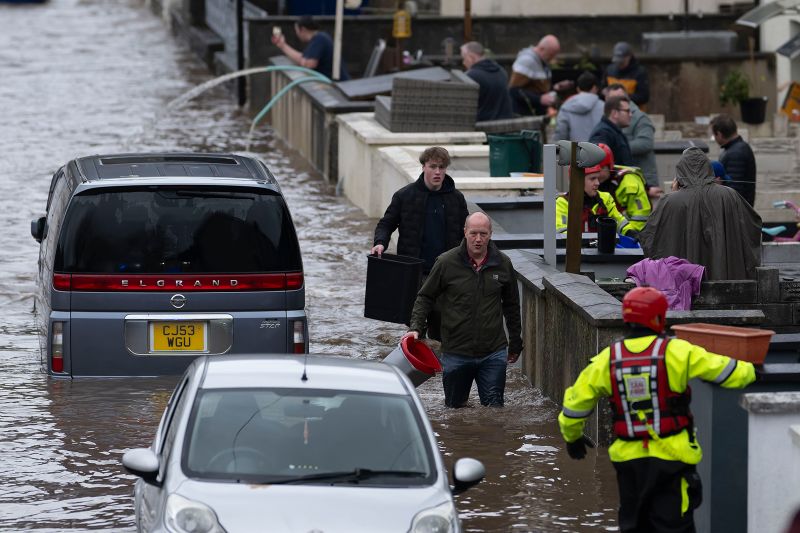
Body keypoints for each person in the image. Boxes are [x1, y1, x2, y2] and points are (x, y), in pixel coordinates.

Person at [558, 286, 756, 532]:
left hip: (629, 463)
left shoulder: (606, 359)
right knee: (674, 526)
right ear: (660, 317)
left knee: (634, 525)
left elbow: (575, 405)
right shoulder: (678, 351)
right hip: (673, 459)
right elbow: (731, 373)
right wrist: (753, 368)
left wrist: (573, 437)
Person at [403, 212, 523, 408]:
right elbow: (425, 297)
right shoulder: (446, 262)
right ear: (465, 232)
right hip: (455, 352)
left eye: (483, 234)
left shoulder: (502, 263)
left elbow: (511, 306)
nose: (478, 239)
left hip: (492, 352)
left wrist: (516, 344)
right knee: (455, 410)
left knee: (494, 410)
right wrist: (415, 328)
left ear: (490, 234)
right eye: (474, 233)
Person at [639, 147, 762, 280]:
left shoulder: (669, 201)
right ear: (708, 168)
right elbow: (753, 226)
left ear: (680, 171)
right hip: (727, 283)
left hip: (684, 287)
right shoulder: (729, 195)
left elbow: (650, 237)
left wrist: (674, 195)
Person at [371, 146, 469, 274]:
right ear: (423, 167)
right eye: (433, 167)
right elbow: (386, 224)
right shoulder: (404, 196)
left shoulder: (456, 198)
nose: (438, 172)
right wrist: (380, 243)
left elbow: (467, 231)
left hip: (448, 270)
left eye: (442, 167)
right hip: (413, 269)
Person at [555, 157, 639, 240]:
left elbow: (619, 221)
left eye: (597, 178)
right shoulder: (563, 202)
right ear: (578, 181)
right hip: (578, 252)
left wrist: (630, 232)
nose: (597, 183)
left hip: (603, 251)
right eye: (592, 179)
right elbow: (562, 233)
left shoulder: (606, 198)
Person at [605, 83, 661, 196]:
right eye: (611, 99)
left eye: (619, 98)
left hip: (644, 181)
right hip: (624, 180)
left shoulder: (640, 118)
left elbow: (645, 144)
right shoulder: (608, 119)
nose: (614, 102)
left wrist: (616, 148)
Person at [592, 143, 652, 234]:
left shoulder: (629, 183)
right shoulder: (597, 180)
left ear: (609, 166)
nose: (597, 174)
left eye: (600, 169)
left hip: (629, 237)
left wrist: (630, 239)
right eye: (593, 170)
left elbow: (640, 218)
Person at [270, 16, 350, 81]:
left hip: (337, 85)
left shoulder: (320, 39)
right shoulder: (318, 40)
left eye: (297, 31)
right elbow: (303, 58)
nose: (296, 34)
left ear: (303, 30)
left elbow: (309, 64)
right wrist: (283, 45)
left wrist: (303, 61)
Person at [508, 34, 571, 116]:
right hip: (524, 113)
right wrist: (539, 99)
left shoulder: (542, 60)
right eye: (550, 55)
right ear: (541, 49)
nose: (552, 59)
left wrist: (555, 87)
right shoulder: (526, 61)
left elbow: (537, 86)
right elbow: (513, 90)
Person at [460, 41, 513, 122]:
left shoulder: (471, 76)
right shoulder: (501, 71)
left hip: (484, 126)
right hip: (506, 123)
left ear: (471, 57)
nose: (463, 63)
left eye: (464, 58)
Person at [711, 114, 757, 206]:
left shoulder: (735, 153)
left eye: (714, 135)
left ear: (719, 134)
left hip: (737, 213)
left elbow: (734, 191)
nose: (714, 138)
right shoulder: (738, 148)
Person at [553, 71, 605, 142]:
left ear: (578, 89)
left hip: (574, 151)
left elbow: (560, 134)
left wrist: (555, 152)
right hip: (600, 151)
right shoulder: (604, 107)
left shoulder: (566, 106)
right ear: (595, 88)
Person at [601, 41, 649, 108]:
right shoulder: (609, 70)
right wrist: (605, 92)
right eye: (617, 62)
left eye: (621, 62)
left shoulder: (639, 72)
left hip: (633, 113)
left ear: (629, 57)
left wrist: (622, 97)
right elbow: (602, 89)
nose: (619, 65)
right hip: (613, 112)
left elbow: (644, 97)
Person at [589, 95, 633, 166]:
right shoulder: (603, 133)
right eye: (627, 111)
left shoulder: (614, 132)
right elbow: (599, 166)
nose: (631, 114)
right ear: (614, 113)